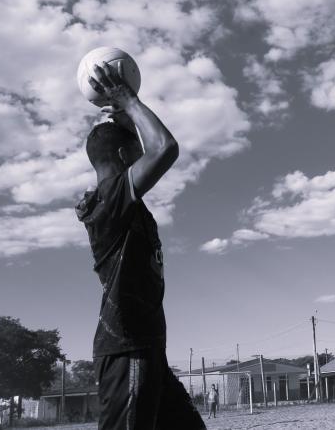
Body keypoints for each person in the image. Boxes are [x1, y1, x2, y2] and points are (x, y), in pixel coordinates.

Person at [76, 62, 205, 430]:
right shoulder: (111, 198)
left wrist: (123, 115)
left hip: (147, 349)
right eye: (136, 147)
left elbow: (145, 146)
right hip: (127, 350)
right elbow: (164, 148)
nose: (142, 150)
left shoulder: (117, 202)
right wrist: (130, 100)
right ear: (123, 157)